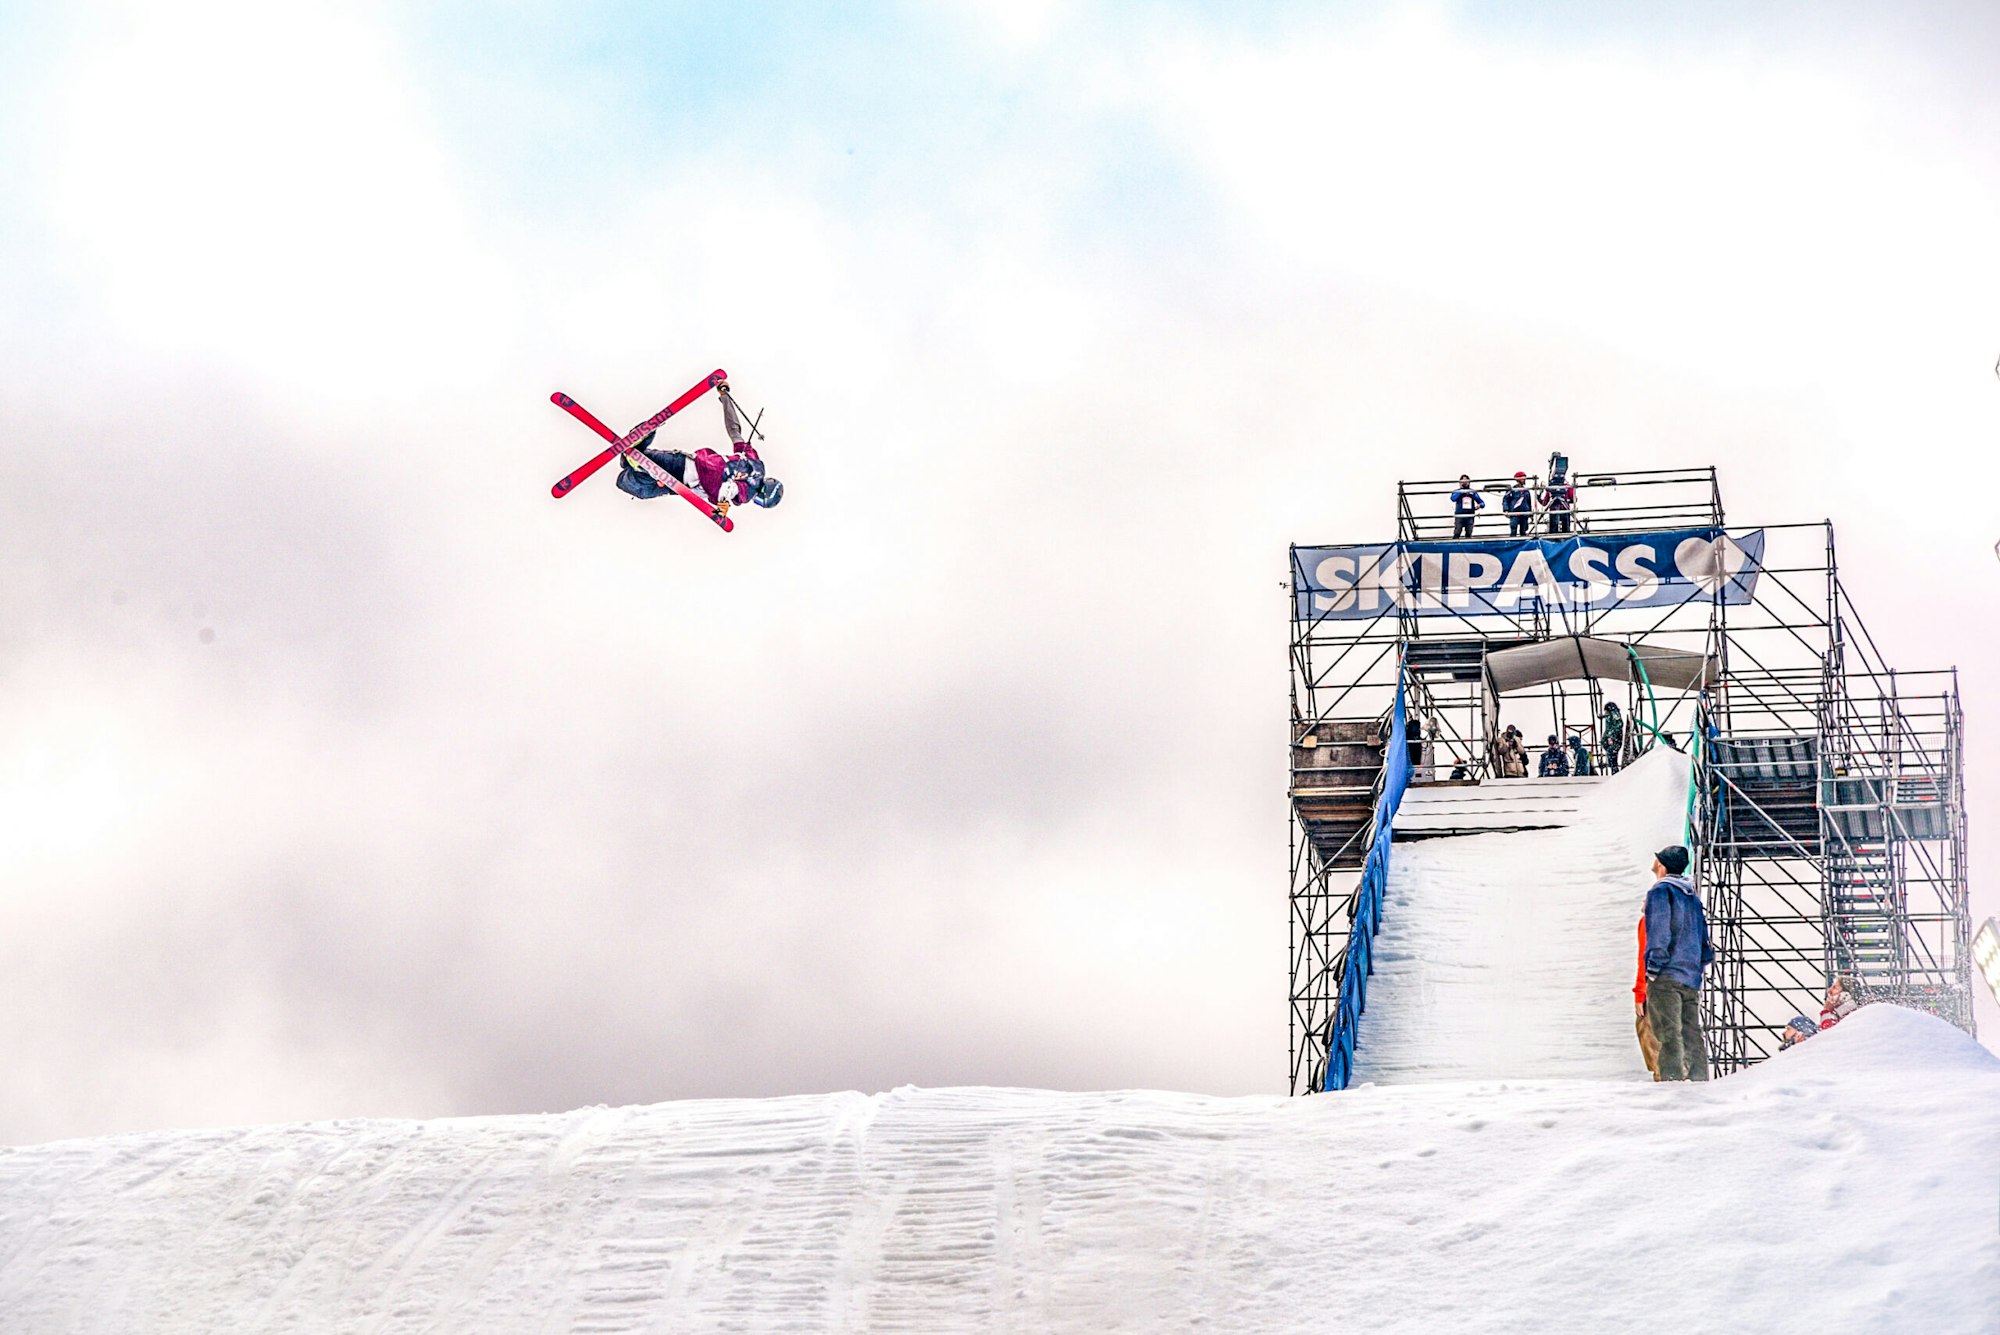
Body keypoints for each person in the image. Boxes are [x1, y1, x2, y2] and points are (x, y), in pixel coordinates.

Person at [617, 383, 784, 510]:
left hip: (684, 464)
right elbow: (727, 491)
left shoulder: (752, 458)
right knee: (631, 481)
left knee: (631, 472)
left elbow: (734, 430)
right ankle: (638, 461)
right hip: (684, 478)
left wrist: (725, 396)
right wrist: (722, 507)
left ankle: (640, 447)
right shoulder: (748, 491)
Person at [1642, 845, 1714, 1081]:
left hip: (1667, 975)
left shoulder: (1660, 892)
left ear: (1661, 865)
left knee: (1667, 1034)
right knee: (1691, 1032)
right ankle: (1699, 1080)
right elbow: (1703, 938)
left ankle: (1672, 1084)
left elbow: (1660, 934)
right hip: (1690, 976)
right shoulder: (1690, 895)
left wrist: (1652, 970)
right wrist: (1698, 965)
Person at [1634, 914, 1662, 1080]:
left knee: (1646, 1028)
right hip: (1685, 981)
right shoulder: (1688, 915)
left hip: (1656, 986)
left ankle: (1663, 1078)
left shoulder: (1649, 920)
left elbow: (1644, 958)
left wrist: (1640, 993)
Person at [1540, 468, 1576, 534]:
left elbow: (1544, 502)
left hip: (1561, 509)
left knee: (1560, 529)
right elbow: (1574, 499)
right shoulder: (1566, 487)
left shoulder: (1552, 488)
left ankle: (1555, 540)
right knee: (1563, 529)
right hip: (1562, 509)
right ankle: (1563, 539)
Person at [1449, 475, 1486, 539]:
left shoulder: (1472, 492)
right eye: (1463, 481)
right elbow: (1453, 498)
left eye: (1466, 481)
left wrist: (1479, 505)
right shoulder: (1457, 491)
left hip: (1469, 516)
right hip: (1459, 515)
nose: (1465, 482)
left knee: (1469, 533)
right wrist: (1461, 491)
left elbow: (1482, 503)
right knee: (1457, 532)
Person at [1501, 471, 1534, 537]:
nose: (1524, 480)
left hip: (1524, 513)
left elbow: (1529, 502)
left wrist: (1530, 513)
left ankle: (1523, 544)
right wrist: (1506, 510)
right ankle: (1513, 544)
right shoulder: (1512, 490)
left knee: (1523, 530)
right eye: (1522, 478)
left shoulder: (1526, 491)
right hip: (1515, 513)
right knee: (1513, 530)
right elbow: (1505, 500)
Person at [1600, 701, 1625, 774]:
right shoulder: (1612, 715)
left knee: (1612, 756)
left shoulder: (1614, 714)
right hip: (1612, 740)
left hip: (1614, 740)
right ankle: (1614, 771)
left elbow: (1619, 724)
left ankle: (1615, 772)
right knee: (1611, 756)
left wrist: (1611, 735)